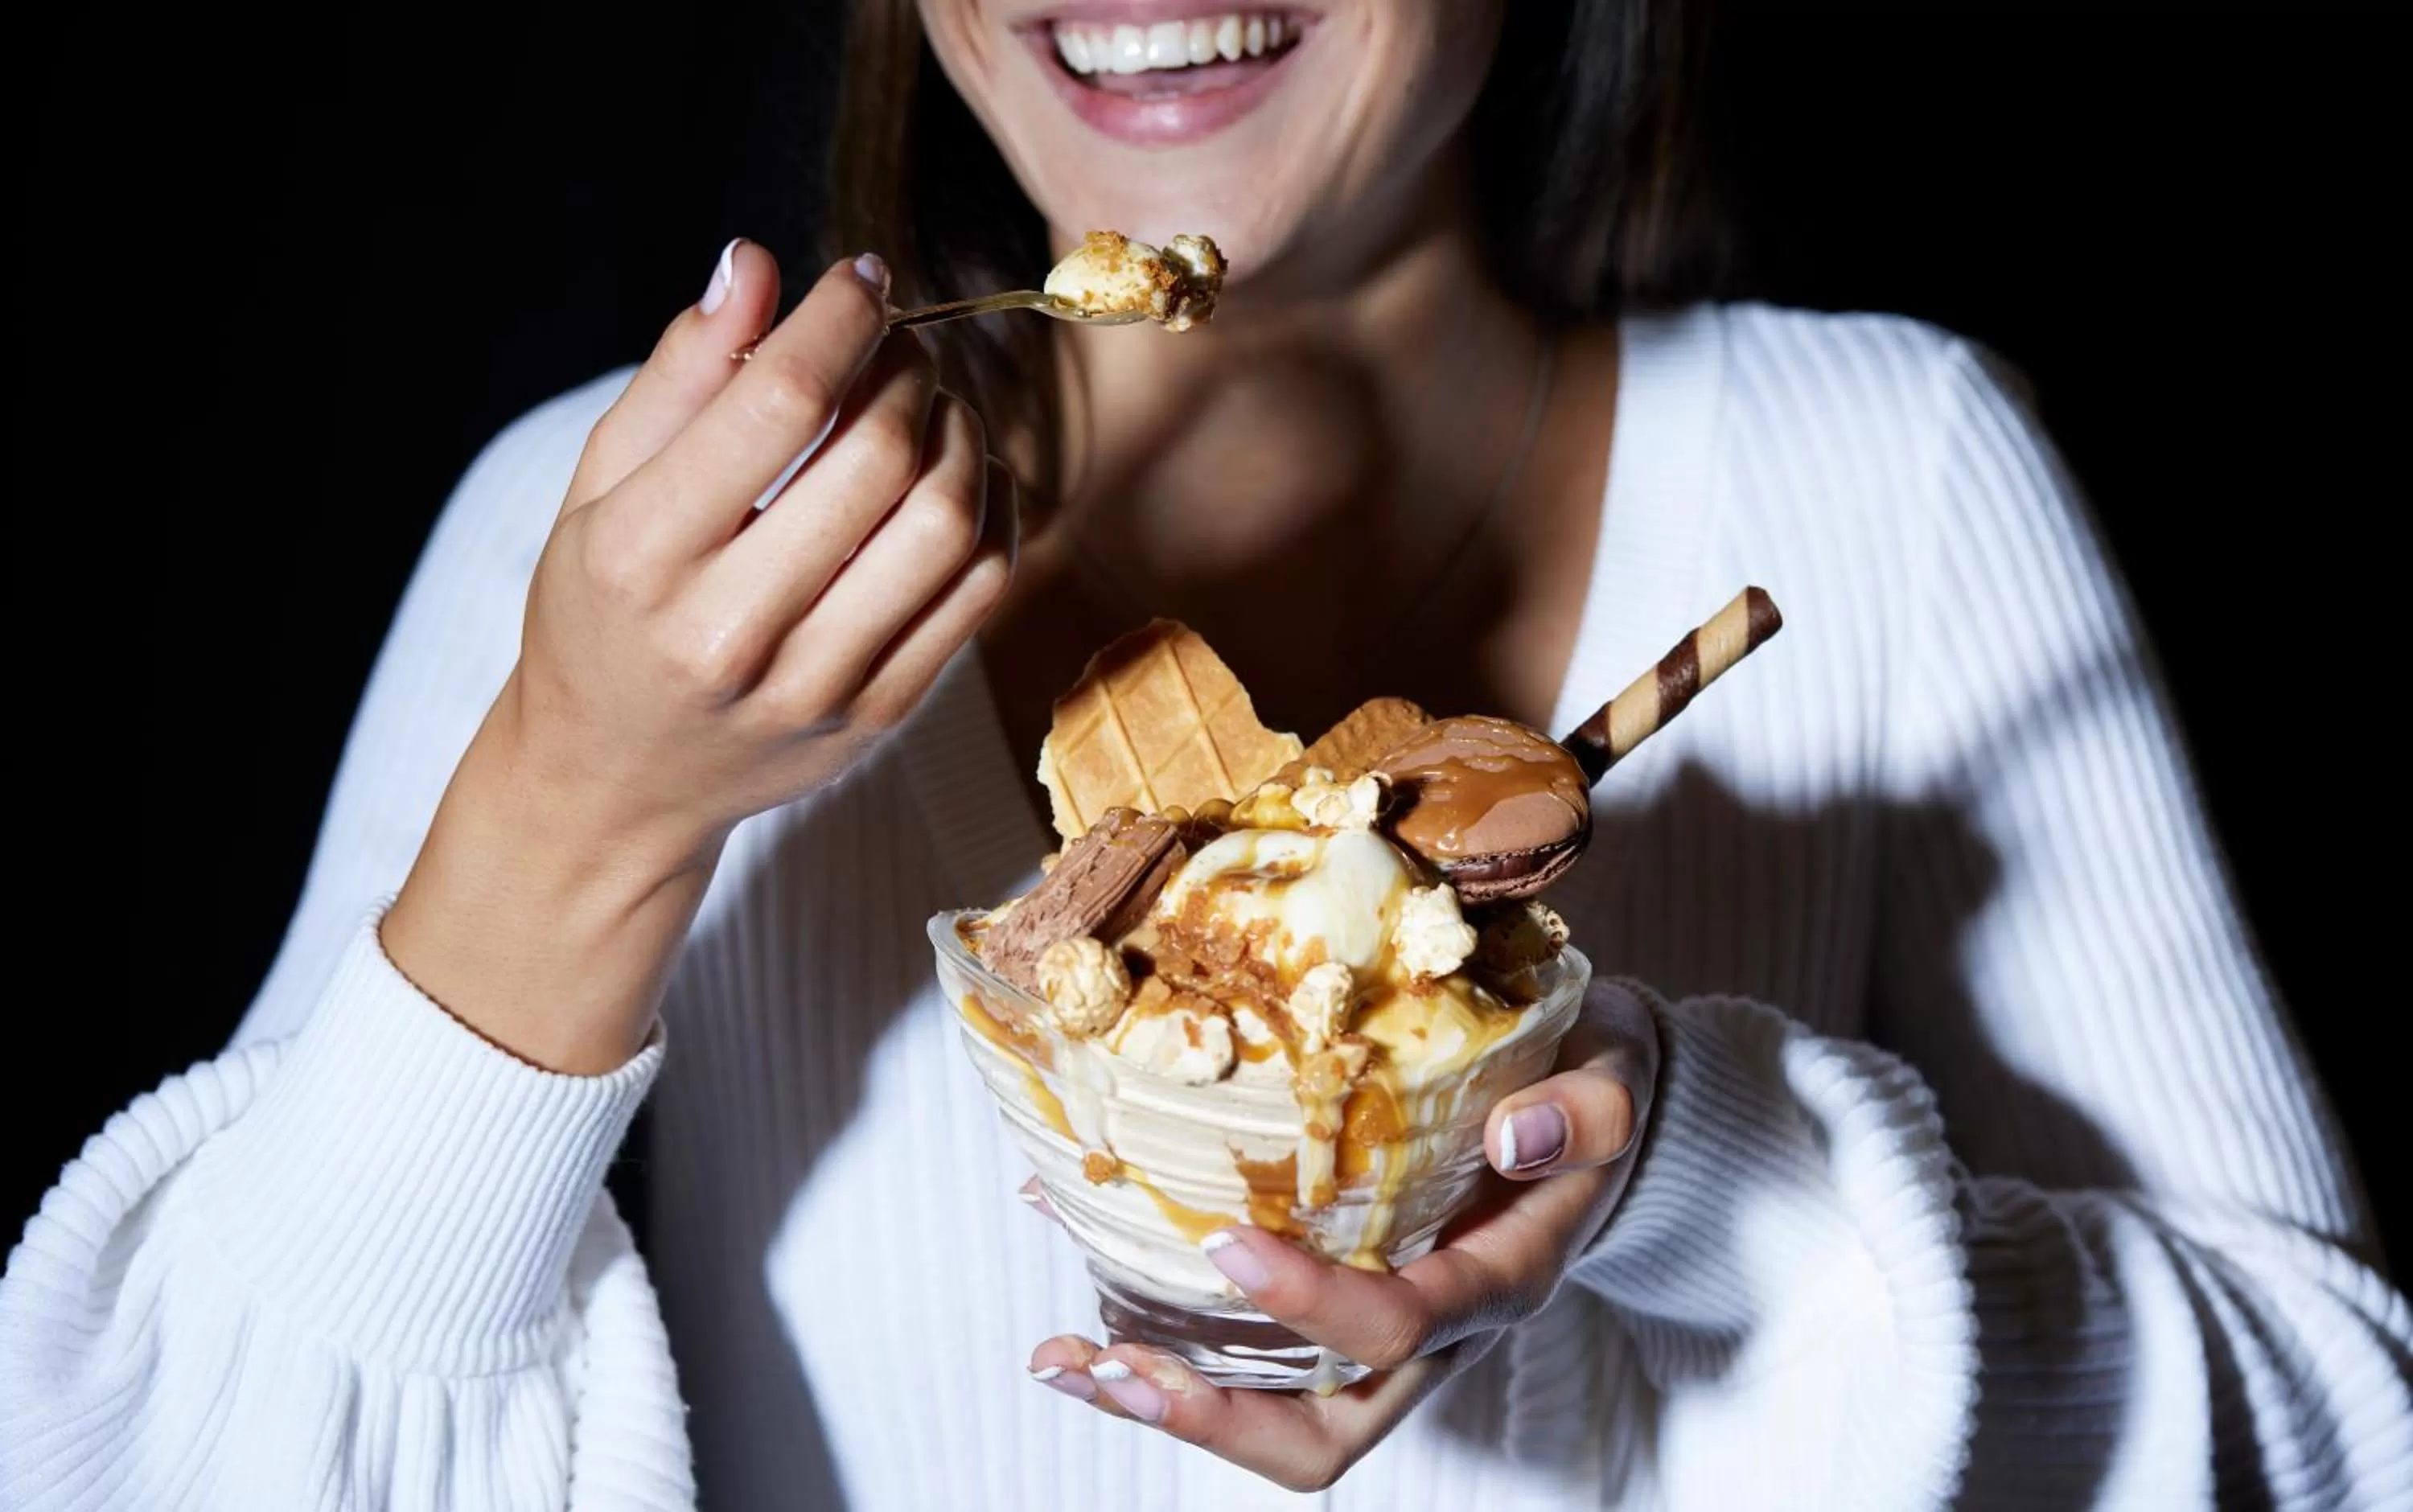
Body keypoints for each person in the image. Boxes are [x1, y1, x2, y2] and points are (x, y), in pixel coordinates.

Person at [6, 1, 2407, 1506]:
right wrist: (582, 802)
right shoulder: (618, 548)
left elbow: (2344, 1445)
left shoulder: (1890, 472)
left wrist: (1675, 1165)